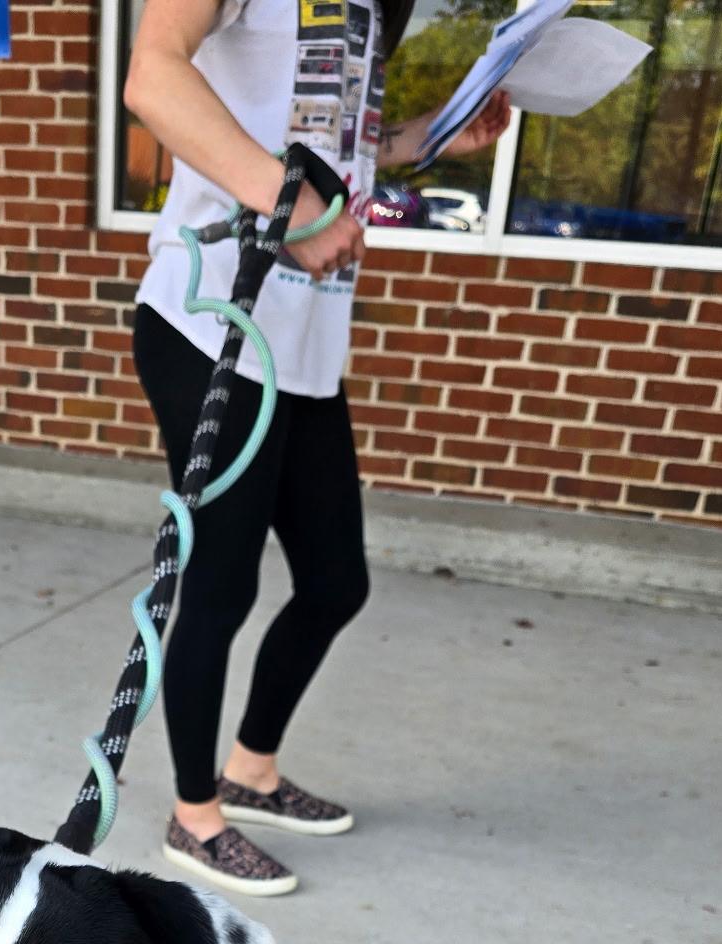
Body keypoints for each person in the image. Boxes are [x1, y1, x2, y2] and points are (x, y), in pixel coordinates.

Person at [127, 0, 509, 896]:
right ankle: (195, 817)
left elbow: (332, 142)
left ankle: (250, 771)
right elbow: (153, 77)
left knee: (337, 581)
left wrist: (431, 136)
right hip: (210, 324)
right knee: (220, 588)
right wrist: (288, 201)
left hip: (303, 344)